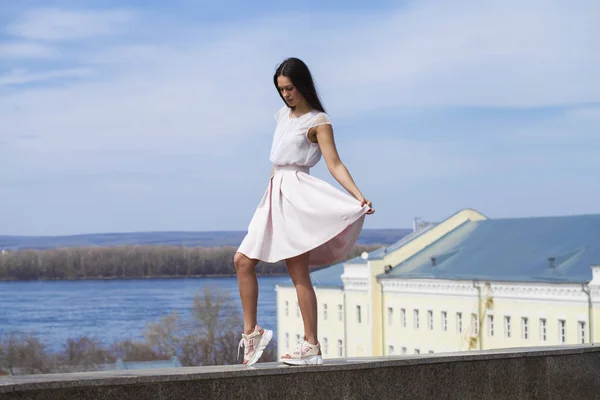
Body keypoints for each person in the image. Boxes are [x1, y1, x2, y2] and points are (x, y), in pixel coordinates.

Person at [234, 57, 374, 366]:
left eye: (290, 88)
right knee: (242, 261)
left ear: (303, 85)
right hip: (274, 193)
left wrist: (358, 196)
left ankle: (311, 344)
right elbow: (277, 162)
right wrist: (267, 198)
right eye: (281, 89)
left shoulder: (318, 121)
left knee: (298, 273)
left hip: (297, 195)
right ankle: (252, 332)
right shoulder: (282, 116)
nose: (285, 95)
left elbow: (334, 163)